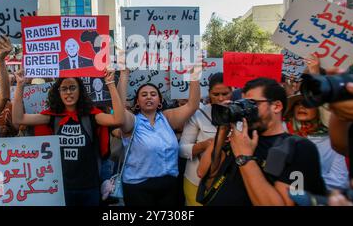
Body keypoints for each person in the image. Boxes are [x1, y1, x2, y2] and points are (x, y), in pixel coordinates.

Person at [197, 77, 327, 206]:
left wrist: (245, 158)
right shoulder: (242, 139)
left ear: (276, 106)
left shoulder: (299, 148)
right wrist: (223, 127)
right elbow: (204, 172)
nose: (246, 109)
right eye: (242, 103)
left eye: (253, 104)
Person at [12, 69, 129, 206]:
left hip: (89, 187)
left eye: (72, 87)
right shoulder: (52, 117)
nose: (68, 92)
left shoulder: (92, 115)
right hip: (61, 187)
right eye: (64, 89)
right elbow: (18, 118)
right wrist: (20, 85)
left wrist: (110, 84)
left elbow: (119, 119)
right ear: (58, 93)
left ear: (80, 91)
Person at [116, 61, 201, 206]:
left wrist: (195, 74)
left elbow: (192, 105)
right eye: (144, 95)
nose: (149, 97)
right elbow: (119, 110)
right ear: (137, 102)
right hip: (138, 188)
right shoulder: (132, 121)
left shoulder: (167, 118)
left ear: (159, 101)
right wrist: (124, 75)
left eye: (153, 94)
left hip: (169, 187)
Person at [179, 73, 232, 206]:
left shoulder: (242, 114)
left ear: (232, 91)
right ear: (209, 93)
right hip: (197, 181)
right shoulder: (198, 115)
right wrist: (206, 145)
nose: (220, 98)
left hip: (229, 183)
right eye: (215, 94)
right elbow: (181, 150)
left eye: (225, 94)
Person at [284, 93, 348, 190]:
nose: (301, 106)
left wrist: (307, 184)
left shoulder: (332, 139)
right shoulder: (282, 130)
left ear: (319, 109)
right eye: (297, 103)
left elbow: (339, 180)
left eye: (307, 103)